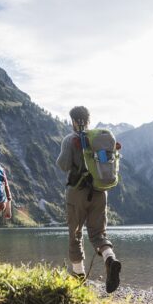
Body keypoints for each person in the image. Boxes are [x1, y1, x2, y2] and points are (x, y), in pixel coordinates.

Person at [56, 105, 122, 293]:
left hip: (77, 192)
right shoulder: (101, 139)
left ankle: (78, 276)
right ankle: (110, 258)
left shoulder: (71, 139)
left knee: (75, 233)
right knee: (98, 234)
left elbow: (63, 164)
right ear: (89, 119)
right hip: (100, 192)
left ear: (74, 121)